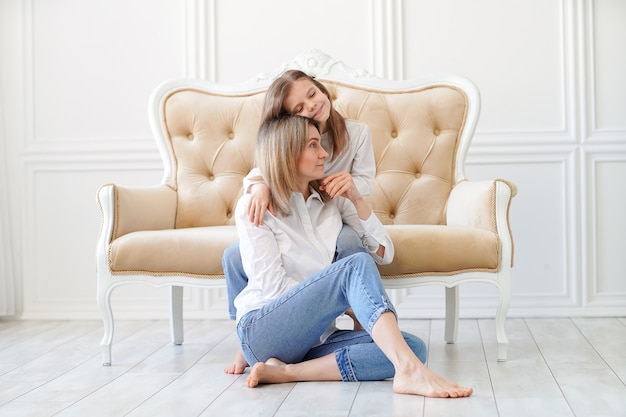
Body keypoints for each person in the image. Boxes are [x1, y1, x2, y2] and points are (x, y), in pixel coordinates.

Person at [231, 115, 473, 398]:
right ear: (287, 152)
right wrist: (344, 301)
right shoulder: (255, 205)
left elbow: (384, 252)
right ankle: (408, 371)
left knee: (411, 347)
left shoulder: (332, 198)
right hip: (264, 332)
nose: (324, 153)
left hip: (312, 340)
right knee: (354, 268)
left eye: (320, 144)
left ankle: (288, 372)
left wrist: (356, 198)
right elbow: (273, 288)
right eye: (313, 145)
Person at [223, 70, 376, 373]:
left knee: (348, 243)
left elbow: (366, 181)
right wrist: (260, 185)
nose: (311, 106)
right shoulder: (292, 137)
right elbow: (267, 165)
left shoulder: (356, 133)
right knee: (233, 255)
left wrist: (347, 187)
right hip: (302, 203)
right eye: (298, 108)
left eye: (312, 94)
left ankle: (363, 322)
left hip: (334, 206)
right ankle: (247, 341)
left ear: (321, 89)